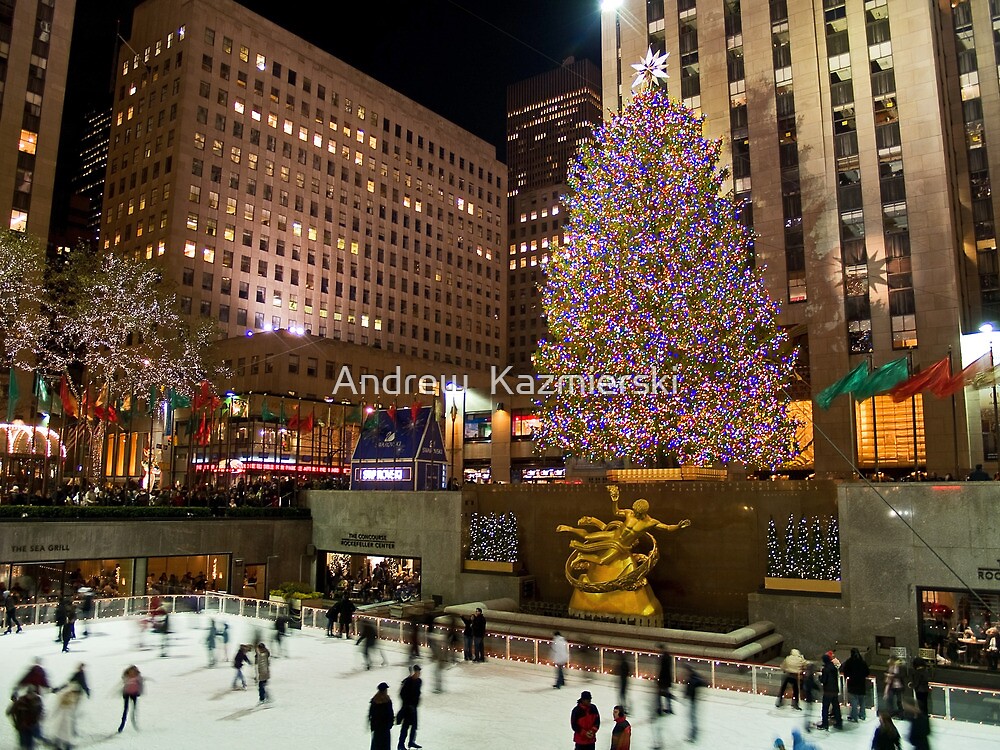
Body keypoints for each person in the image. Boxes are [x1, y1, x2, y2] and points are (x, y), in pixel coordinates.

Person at [557, 486, 691, 568]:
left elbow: (667, 528)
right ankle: (570, 529)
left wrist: (678, 526)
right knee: (588, 537)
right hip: (613, 534)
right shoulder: (629, 513)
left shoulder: (650, 522)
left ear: (643, 513)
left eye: (638, 513)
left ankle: (582, 556)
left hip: (621, 546)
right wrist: (615, 500)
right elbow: (616, 512)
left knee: (602, 561)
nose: (635, 514)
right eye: (635, 511)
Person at [47, 682, 83, 750]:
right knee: (60, 734)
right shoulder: (64, 696)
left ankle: (63, 745)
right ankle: (58, 745)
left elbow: (73, 710)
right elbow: (57, 707)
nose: (74, 694)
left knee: (65, 736)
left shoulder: (75, 698)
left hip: (67, 719)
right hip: (61, 718)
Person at [840, 647, 870, 722]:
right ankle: (862, 715)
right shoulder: (862, 662)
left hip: (852, 684)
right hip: (861, 684)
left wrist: (848, 676)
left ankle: (854, 716)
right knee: (862, 700)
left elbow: (844, 670)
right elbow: (867, 672)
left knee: (854, 701)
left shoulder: (849, 662)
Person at [397, 664, 422, 750]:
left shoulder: (419, 681)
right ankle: (401, 744)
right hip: (407, 708)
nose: (419, 674)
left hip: (414, 708)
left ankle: (411, 741)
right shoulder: (408, 682)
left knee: (414, 726)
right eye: (417, 672)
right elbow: (402, 694)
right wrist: (408, 704)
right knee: (405, 727)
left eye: (419, 672)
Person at [817, 652, 843, 730]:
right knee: (836, 707)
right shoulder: (834, 668)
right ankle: (839, 722)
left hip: (828, 691)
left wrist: (820, 678)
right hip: (834, 690)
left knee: (825, 708)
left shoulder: (825, 669)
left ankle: (825, 724)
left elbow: (824, 680)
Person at [683, 664, 705, 743]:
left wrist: (686, 695)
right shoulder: (692, 678)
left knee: (692, 718)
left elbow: (690, 688)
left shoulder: (692, 679)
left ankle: (693, 735)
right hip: (693, 700)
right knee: (691, 717)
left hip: (693, 700)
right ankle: (692, 734)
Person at [369, 681, 395, 750]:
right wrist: (390, 723)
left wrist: (372, 726)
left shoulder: (374, 700)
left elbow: (371, 714)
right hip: (384, 728)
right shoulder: (387, 700)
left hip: (378, 728)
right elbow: (390, 713)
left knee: (376, 746)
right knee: (385, 746)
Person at [117, 665, 143, 733]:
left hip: (134, 694)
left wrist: (139, 692)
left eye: (134, 672)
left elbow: (141, 685)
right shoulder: (126, 676)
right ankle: (122, 726)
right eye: (131, 672)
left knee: (134, 710)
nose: (132, 673)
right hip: (127, 694)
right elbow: (125, 684)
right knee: (125, 710)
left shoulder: (138, 677)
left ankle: (134, 723)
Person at [656, 643, 673, 715]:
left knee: (660, 694)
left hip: (663, 679)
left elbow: (663, 670)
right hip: (667, 679)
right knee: (667, 694)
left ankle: (660, 708)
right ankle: (669, 708)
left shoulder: (664, 658)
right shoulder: (668, 657)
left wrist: (659, 679)